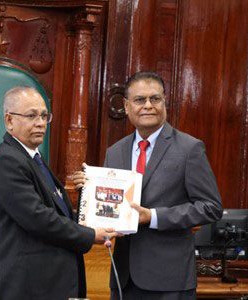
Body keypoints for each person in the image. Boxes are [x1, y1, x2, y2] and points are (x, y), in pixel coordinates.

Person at [73, 71, 223, 299]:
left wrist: (152, 216)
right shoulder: (115, 152)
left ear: (164, 102)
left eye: (155, 99)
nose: (148, 106)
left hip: (169, 280)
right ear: (126, 106)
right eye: (139, 100)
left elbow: (210, 207)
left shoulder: (189, 148)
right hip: (123, 278)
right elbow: (109, 207)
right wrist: (89, 190)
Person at [0, 86, 117, 300]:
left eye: (44, 116)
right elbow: (38, 218)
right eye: (31, 115)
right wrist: (90, 235)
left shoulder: (32, 158)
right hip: (25, 287)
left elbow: (57, 211)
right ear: (9, 121)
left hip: (45, 284)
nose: (40, 123)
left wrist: (88, 197)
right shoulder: (7, 160)